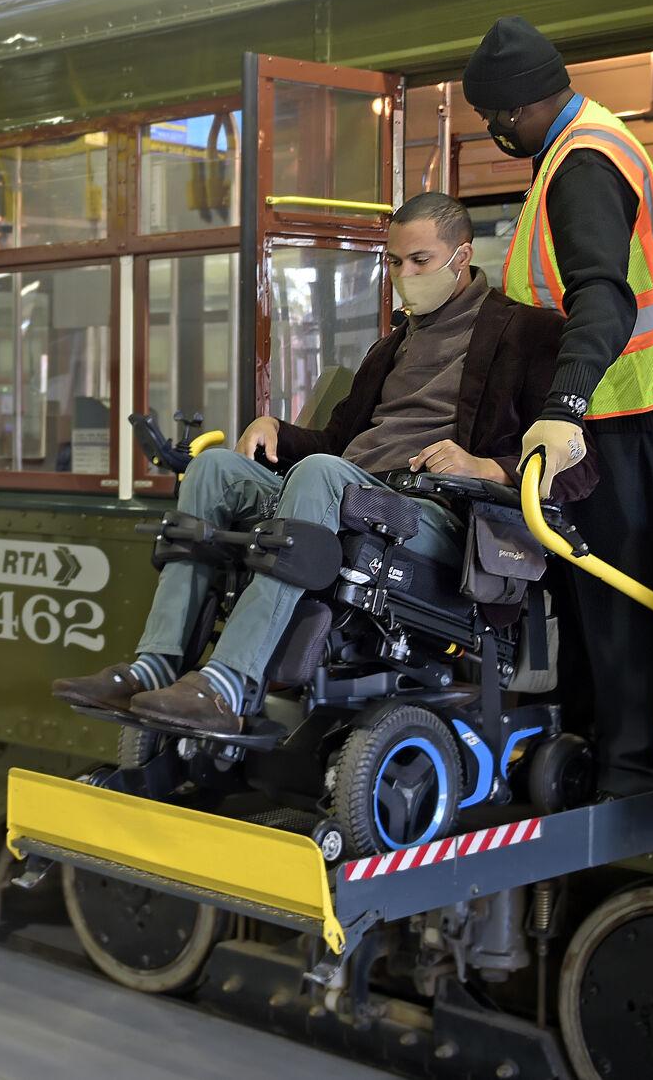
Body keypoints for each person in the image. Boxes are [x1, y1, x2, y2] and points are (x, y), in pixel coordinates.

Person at [51, 192, 598, 735]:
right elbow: (340, 441)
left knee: (319, 474)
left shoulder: (529, 334)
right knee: (212, 468)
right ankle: (156, 663)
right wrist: (276, 430)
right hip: (353, 492)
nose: (404, 275)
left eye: (420, 261)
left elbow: (581, 471)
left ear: (462, 256)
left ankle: (230, 684)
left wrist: (486, 467)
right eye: (394, 262)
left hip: (434, 516)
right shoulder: (390, 348)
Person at [461, 16, 653, 797]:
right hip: (627, 403)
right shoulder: (579, 145)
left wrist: (565, 405)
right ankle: (587, 746)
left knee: (614, 592)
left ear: (522, 106)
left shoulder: (581, 164)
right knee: (590, 588)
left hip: (630, 403)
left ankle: (628, 774)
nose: (495, 130)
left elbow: (602, 296)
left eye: (495, 117)